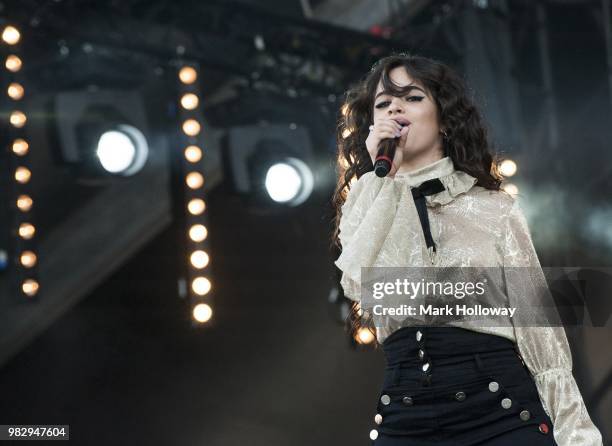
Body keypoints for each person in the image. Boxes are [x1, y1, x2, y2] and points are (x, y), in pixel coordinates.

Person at [331, 53, 603, 445]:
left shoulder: (493, 209)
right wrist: (383, 180)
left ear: (443, 114)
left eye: (411, 97)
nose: (395, 108)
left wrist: (575, 431)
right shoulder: (367, 202)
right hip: (407, 410)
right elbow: (362, 288)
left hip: (499, 405)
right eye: (383, 103)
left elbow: (538, 329)